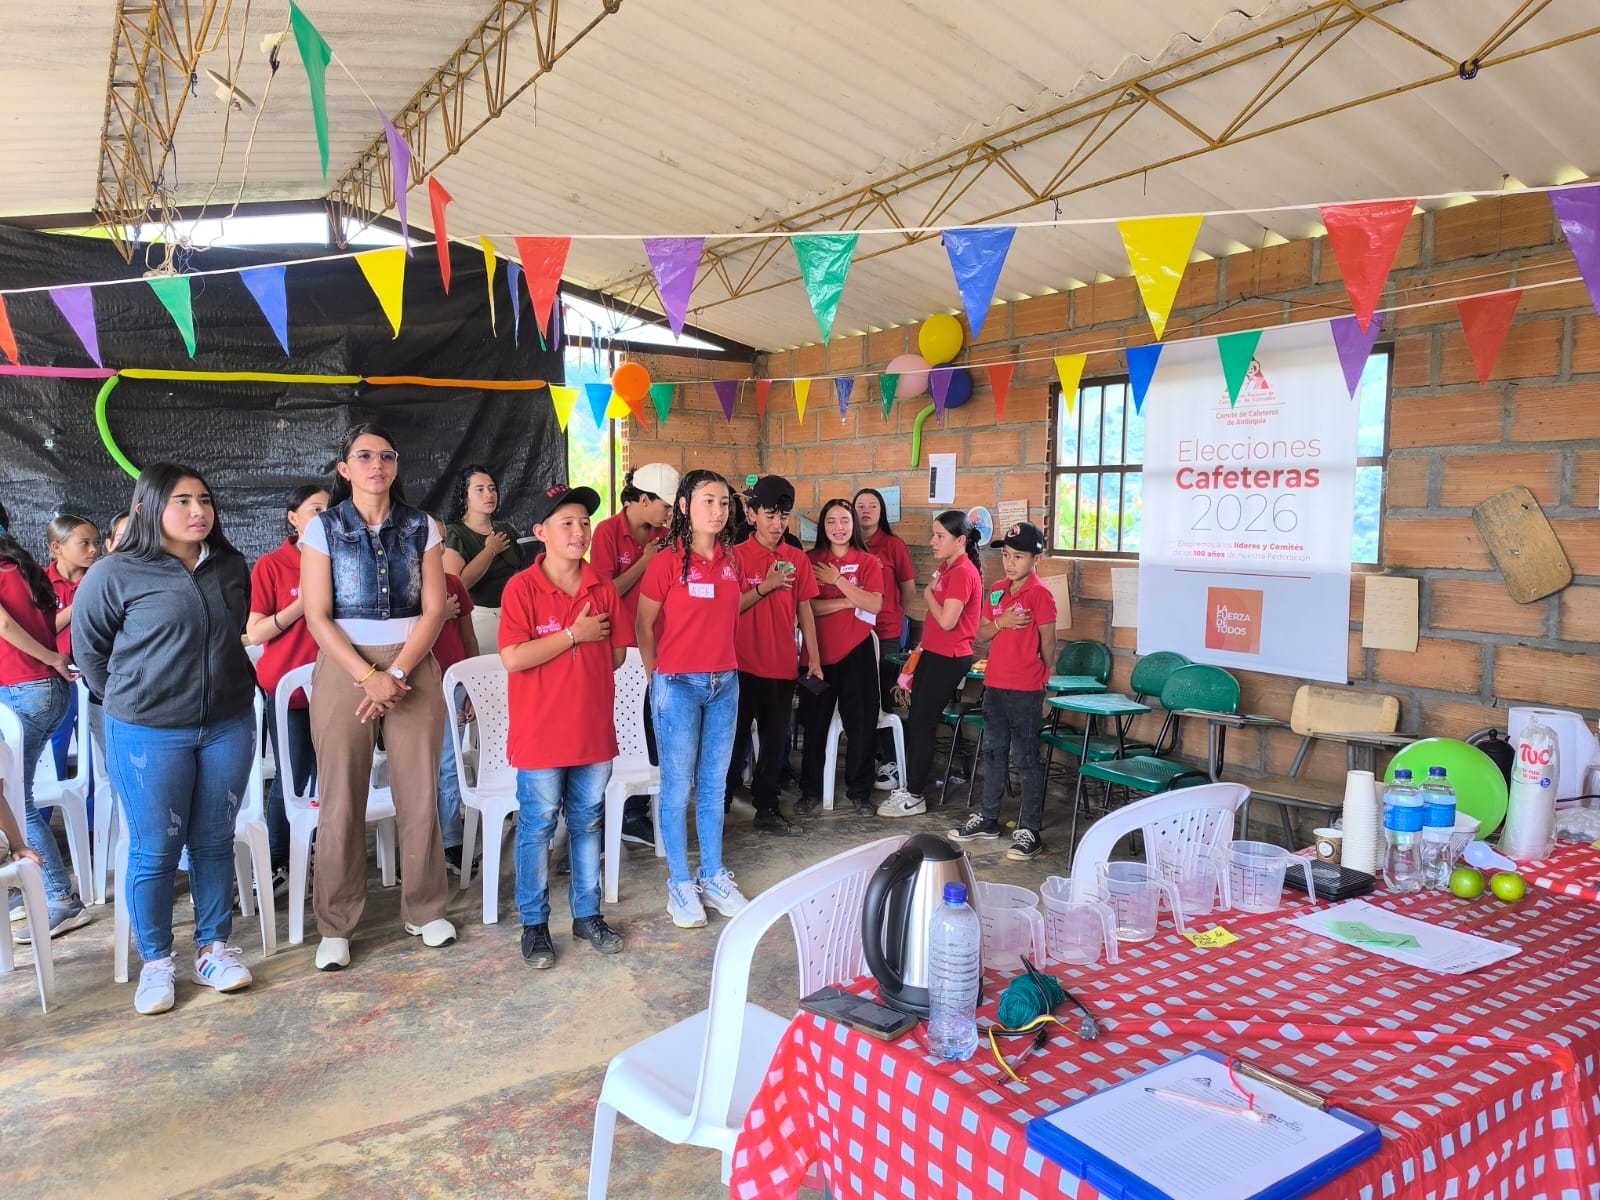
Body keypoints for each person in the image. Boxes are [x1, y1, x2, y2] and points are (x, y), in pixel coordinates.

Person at [74, 464, 257, 1014]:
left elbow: (233, 632)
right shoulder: (113, 573)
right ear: (148, 508)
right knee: (155, 847)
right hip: (146, 732)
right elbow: (91, 654)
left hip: (228, 723)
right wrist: (139, 698)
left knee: (214, 840)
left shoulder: (229, 565)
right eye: (182, 501)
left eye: (205, 499)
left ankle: (213, 950)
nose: (198, 511)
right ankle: (156, 961)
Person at [299, 423, 454, 971]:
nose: (376, 465)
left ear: (396, 465)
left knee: (421, 792)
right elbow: (317, 615)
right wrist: (369, 676)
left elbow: (434, 608)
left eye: (386, 456)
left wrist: (399, 670)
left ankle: (425, 908)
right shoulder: (322, 528)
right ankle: (336, 923)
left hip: (412, 662)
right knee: (341, 796)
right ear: (345, 468)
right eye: (363, 456)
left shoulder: (422, 526)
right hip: (347, 666)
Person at [500, 484, 625, 968]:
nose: (579, 532)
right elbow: (513, 657)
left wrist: (579, 652)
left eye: (585, 522)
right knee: (537, 826)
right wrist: (575, 636)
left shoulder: (602, 586)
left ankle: (587, 915)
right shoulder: (522, 588)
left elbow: (616, 655)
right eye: (567, 523)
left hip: (592, 730)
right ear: (541, 532)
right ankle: (534, 924)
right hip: (541, 733)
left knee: (588, 822)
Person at [635, 469, 749, 929]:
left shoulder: (732, 559)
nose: (718, 511)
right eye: (708, 501)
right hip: (678, 684)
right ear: (684, 506)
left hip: (725, 684)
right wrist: (656, 677)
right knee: (678, 787)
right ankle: (680, 883)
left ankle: (713, 875)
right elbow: (644, 625)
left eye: (723, 503)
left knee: (715, 786)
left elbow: (727, 614)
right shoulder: (666, 561)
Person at [0, 503, 88, 941]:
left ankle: (60, 897)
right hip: (43, 689)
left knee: (16, 801)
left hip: (26, 689)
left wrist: (52, 656)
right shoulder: (23, 566)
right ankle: (34, 887)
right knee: (17, 794)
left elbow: (3, 624)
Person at [947, 522, 1057, 860]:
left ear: (1036, 559)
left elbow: (1049, 643)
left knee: (1025, 758)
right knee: (993, 752)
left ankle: (1029, 829)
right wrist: (1001, 622)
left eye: (1018, 557)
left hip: (1026, 689)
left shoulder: (1040, 595)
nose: (1010, 563)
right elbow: (979, 634)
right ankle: (988, 818)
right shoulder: (996, 590)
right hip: (994, 686)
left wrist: (1044, 681)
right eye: (1006, 555)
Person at [246, 485, 329, 893]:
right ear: (293, 518)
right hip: (288, 692)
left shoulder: (339, 558)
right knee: (292, 777)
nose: (325, 517)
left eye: (330, 510)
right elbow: (255, 631)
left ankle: (317, 856)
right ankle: (279, 862)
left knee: (329, 777)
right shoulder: (272, 565)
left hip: (335, 689)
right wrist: (301, 605)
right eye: (315, 509)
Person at [727, 475, 821, 836]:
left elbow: (805, 609)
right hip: (740, 666)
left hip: (781, 666)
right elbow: (729, 609)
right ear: (752, 515)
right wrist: (765, 587)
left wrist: (813, 657)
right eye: (770, 515)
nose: (777, 523)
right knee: (732, 741)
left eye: (783, 516)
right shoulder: (735, 557)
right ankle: (719, 803)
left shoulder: (796, 558)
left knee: (773, 743)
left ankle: (766, 807)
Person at [588, 463, 677, 846]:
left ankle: (638, 811)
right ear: (643, 500)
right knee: (620, 728)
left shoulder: (665, 534)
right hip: (620, 648)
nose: (668, 514)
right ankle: (610, 811)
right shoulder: (608, 532)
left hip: (657, 643)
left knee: (651, 726)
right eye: (665, 506)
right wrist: (645, 561)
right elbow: (605, 592)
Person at [878, 510, 983, 819]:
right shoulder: (948, 568)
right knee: (916, 720)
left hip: (949, 658)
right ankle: (909, 787)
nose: (933, 542)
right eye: (933, 535)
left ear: (960, 540)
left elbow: (948, 621)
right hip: (933, 654)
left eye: (940, 536)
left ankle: (914, 795)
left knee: (923, 724)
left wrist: (927, 595)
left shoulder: (962, 572)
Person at [800, 498, 885, 814]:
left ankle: (859, 792)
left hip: (857, 652)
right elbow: (808, 608)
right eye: (831, 521)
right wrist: (852, 600)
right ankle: (810, 791)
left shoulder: (868, 562)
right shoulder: (810, 561)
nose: (839, 527)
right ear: (823, 526)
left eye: (845, 521)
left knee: (861, 724)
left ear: (854, 525)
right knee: (814, 725)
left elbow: (875, 604)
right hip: (817, 655)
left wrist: (837, 581)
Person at [854, 488, 916, 791]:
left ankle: (892, 761)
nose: (866, 511)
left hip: (886, 631)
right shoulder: (847, 544)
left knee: (883, 698)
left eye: (873, 506)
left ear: (882, 512)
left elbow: (908, 590)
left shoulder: (893, 545)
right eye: (860, 505)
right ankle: (869, 756)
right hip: (853, 632)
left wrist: (893, 613)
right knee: (861, 696)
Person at [43, 514, 100, 804]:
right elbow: (39, 630)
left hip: (96, 677)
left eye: (97, 543)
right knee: (51, 751)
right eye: (84, 543)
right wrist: (78, 606)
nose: (93, 550)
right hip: (54, 677)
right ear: (57, 547)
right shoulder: (38, 583)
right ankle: (38, 822)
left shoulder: (102, 578)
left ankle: (93, 822)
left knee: (96, 753)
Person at [442, 464, 525, 652]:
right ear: (465, 497)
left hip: (514, 614)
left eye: (492, 488)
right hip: (478, 618)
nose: (489, 494)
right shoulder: (455, 533)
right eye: (480, 490)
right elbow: (458, 585)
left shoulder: (506, 529)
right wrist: (490, 551)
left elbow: (521, 571)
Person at [433, 564, 478, 875]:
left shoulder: (453, 584)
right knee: (420, 770)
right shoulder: (398, 584)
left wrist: (472, 686)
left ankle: (452, 840)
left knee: (450, 765)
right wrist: (438, 614)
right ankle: (422, 844)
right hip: (414, 689)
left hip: (455, 686)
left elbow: (468, 637)